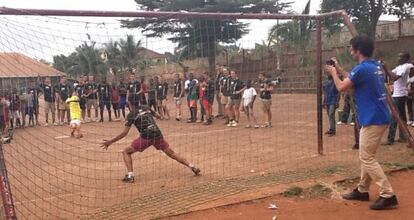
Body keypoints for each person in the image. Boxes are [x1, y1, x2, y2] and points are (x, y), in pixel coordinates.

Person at [326, 35, 398, 210]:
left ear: (357, 50)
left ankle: (388, 194)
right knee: (368, 156)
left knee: (366, 157)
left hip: (373, 118)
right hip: (378, 116)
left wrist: (334, 73)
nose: (350, 51)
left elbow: (342, 87)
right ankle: (362, 190)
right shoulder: (375, 67)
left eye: (351, 48)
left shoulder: (362, 69)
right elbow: (353, 87)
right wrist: (341, 70)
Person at [100, 94, 201, 183]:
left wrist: (110, 142)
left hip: (146, 137)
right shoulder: (146, 107)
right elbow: (158, 116)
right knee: (172, 153)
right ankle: (192, 166)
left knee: (126, 152)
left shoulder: (131, 114)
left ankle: (130, 175)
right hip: (157, 134)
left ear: (129, 102)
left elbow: (124, 133)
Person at [383, 52, 414, 145]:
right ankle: (405, 137)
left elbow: (394, 77)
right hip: (397, 95)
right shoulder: (399, 67)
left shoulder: (407, 66)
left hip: (400, 95)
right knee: (401, 117)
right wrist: (383, 69)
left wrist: (385, 68)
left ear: (406, 58)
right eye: (398, 56)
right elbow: (390, 75)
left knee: (394, 116)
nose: (398, 58)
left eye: (401, 57)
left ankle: (391, 139)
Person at [323, 69, 340, 136]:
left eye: (329, 73)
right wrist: (324, 101)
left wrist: (337, 101)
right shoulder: (326, 82)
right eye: (327, 73)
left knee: (331, 114)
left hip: (333, 100)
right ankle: (331, 128)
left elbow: (338, 92)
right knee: (330, 116)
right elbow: (325, 92)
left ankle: (333, 130)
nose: (328, 74)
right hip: (327, 100)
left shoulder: (335, 81)